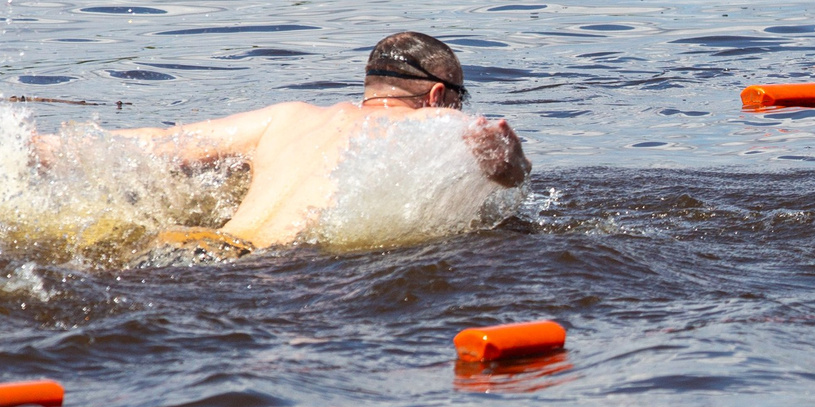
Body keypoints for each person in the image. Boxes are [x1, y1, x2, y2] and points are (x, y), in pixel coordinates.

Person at [37, 32, 528, 256]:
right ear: (440, 96)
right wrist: (503, 155)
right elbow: (511, 172)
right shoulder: (429, 127)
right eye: (460, 100)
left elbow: (160, 146)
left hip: (191, 247)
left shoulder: (285, 117)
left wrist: (36, 145)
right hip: (275, 275)